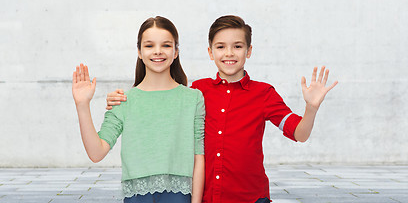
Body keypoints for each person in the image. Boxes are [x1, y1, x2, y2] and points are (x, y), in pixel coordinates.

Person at [106, 15, 338, 203]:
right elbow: (162, 105)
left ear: (248, 51)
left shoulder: (264, 93)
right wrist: (121, 99)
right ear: (210, 52)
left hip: (251, 196)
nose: (229, 53)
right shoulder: (197, 92)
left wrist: (311, 108)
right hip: (208, 197)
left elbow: (299, 133)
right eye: (221, 47)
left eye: (237, 46)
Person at [72, 16, 205, 203]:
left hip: (180, 196)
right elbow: (96, 153)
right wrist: (82, 105)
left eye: (166, 45)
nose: (158, 51)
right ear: (139, 52)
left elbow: (199, 157)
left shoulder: (193, 99)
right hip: (136, 197)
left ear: (176, 52)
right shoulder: (124, 100)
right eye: (149, 45)